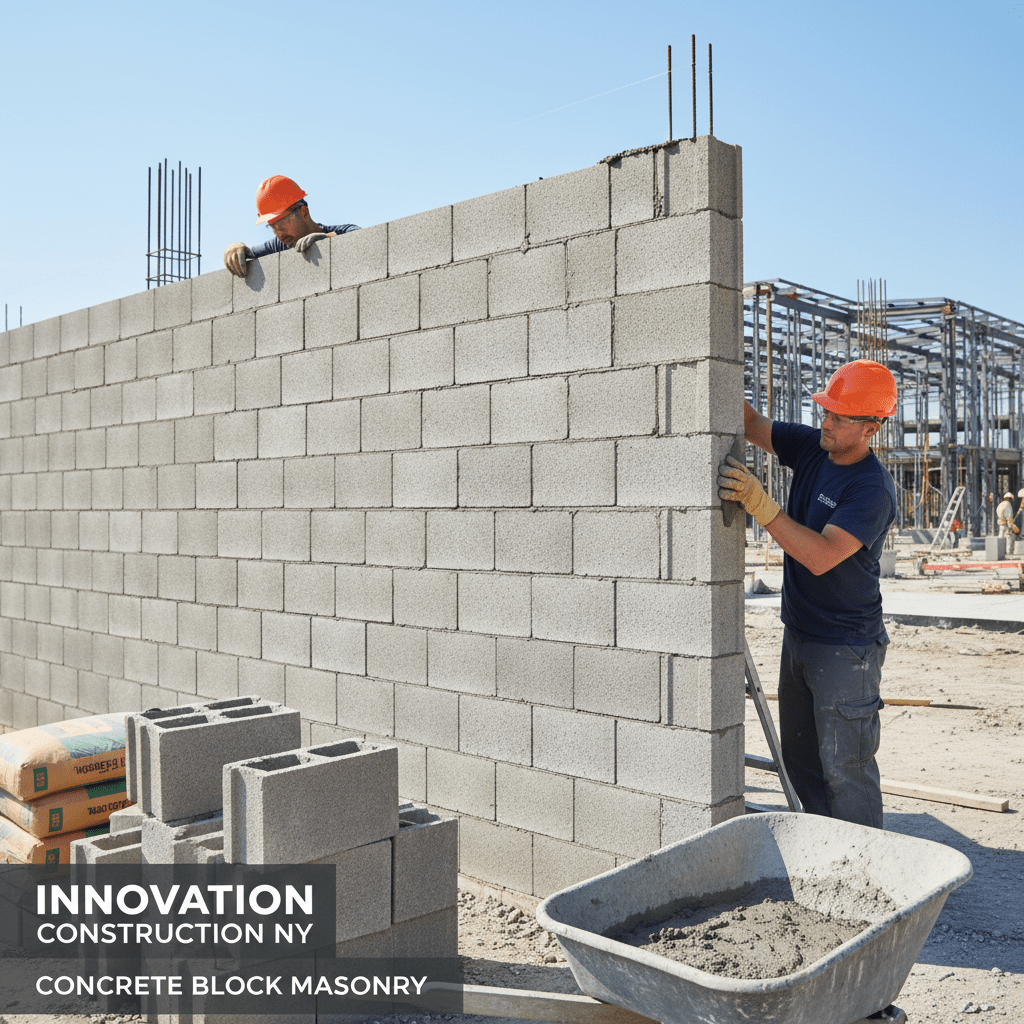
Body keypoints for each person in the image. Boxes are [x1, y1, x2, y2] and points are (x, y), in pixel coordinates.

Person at [717, 358, 898, 831]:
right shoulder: (816, 446)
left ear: (871, 427)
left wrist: (760, 504)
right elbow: (752, 423)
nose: (827, 421)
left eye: (840, 416)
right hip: (799, 635)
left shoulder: (871, 488)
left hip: (846, 648)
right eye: (826, 410)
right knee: (801, 762)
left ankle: (865, 873)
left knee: (847, 772)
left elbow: (820, 555)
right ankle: (824, 861)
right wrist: (714, 368)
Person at [223, 175, 358, 278]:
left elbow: (365, 240)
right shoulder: (280, 245)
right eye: (272, 227)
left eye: (282, 224)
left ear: (304, 213)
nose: (279, 234)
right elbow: (247, 254)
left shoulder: (345, 231)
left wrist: (328, 241)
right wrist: (233, 248)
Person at [996, 491, 1018, 556]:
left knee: (1000, 536)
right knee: (1008, 537)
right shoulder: (1008, 505)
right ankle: (1008, 552)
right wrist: (1010, 526)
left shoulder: (1001, 504)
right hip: (1006, 524)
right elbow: (1009, 516)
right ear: (1010, 499)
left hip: (1001, 523)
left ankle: (1000, 551)